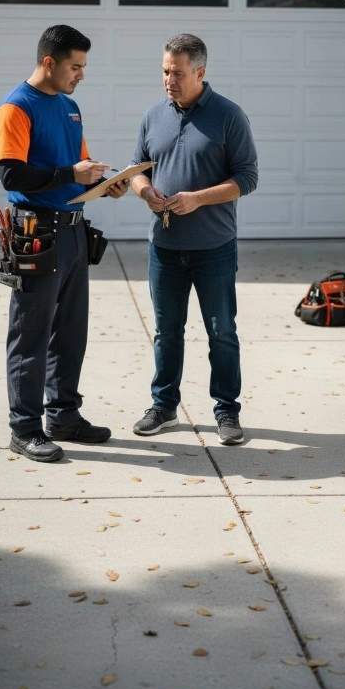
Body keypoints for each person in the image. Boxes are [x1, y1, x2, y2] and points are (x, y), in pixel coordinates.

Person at [0, 24, 128, 463]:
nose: (81, 74)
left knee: (70, 333)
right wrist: (73, 174)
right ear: (49, 62)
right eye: (75, 66)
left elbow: (77, 166)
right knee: (31, 333)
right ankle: (25, 428)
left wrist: (106, 184)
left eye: (83, 66)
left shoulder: (70, 108)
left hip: (73, 231)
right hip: (35, 234)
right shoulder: (15, 108)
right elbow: (12, 175)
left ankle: (64, 416)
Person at [131, 32, 258, 445]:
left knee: (222, 332)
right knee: (167, 331)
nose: (170, 79)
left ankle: (227, 412)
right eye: (166, 71)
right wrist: (145, 190)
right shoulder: (153, 116)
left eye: (178, 72)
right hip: (164, 249)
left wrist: (197, 200)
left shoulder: (229, 116)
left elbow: (247, 178)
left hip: (214, 249)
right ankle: (164, 406)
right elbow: (136, 168)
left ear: (200, 72)